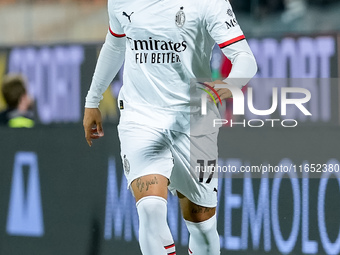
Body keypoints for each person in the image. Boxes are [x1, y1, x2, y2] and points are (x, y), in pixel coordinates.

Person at [83, 0, 257, 254]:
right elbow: (115, 44)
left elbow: (245, 58)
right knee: (150, 209)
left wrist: (229, 86)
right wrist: (92, 100)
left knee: (203, 227)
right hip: (140, 116)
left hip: (194, 120)